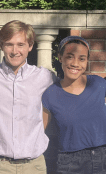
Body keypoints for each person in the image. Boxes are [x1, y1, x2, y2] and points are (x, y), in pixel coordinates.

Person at [0, 20, 57, 174]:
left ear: (30, 46)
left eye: (21, 44)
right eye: (9, 44)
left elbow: (67, 95)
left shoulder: (45, 77)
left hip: (34, 165)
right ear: (1, 46)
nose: (15, 51)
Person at [42, 36, 106, 174]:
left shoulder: (99, 84)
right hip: (69, 163)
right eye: (69, 57)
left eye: (82, 59)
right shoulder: (50, 94)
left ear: (87, 61)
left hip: (103, 158)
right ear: (60, 58)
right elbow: (40, 132)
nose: (75, 63)